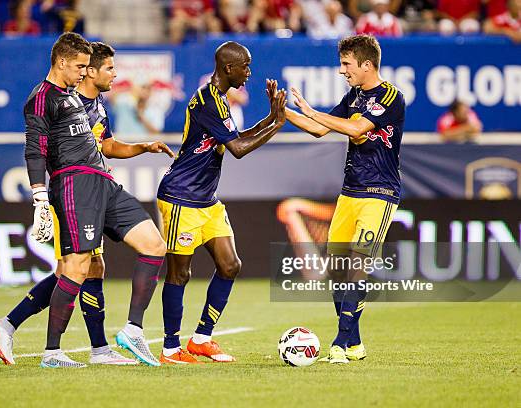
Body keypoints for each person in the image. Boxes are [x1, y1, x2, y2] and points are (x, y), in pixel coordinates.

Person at [0, 40, 174, 367]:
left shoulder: (87, 100)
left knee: (153, 245)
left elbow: (105, 144)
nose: (84, 72)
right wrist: (39, 196)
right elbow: (36, 149)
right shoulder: (43, 98)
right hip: (74, 186)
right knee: (75, 268)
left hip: (103, 181)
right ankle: (48, 349)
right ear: (62, 62)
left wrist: (143, 146)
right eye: (81, 66)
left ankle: (127, 333)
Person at [157, 41, 287, 364]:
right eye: (245, 66)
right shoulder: (207, 101)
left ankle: (201, 338)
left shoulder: (219, 100)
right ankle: (171, 348)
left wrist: (271, 118)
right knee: (179, 274)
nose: (249, 72)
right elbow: (239, 148)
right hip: (181, 197)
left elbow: (236, 135)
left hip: (206, 200)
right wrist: (277, 126)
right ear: (229, 68)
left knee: (230, 265)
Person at [286, 34, 405, 364]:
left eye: (346, 64)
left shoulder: (391, 97)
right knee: (338, 270)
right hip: (349, 192)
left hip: (379, 193)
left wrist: (312, 111)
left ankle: (339, 341)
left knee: (357, 264)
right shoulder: (353, 95)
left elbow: (355, 130)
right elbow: (320, 129)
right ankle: (354, 343)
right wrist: (283, 113)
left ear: (367, 65)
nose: (342, 71)